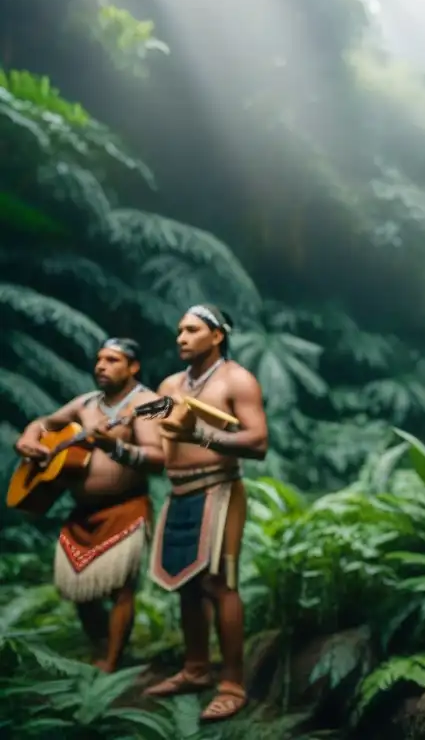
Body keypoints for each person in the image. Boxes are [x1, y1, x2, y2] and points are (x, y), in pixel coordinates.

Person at [142, 303, 267, 723]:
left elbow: (258, 442)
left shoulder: (237, 380)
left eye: (192, 330)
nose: (181, 337)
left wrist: (200, 433)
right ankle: (196, 669)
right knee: (187, 585)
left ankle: (232, 683)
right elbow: (150, 425)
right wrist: (117, 434)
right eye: (178, 330)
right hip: (179, 493)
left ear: (217, 336)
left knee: (220, 583)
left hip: (220, 489)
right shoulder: (169, 384)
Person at [12, 338, 164, 673]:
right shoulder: (85, 403)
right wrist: (28, 438)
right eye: (99, 360)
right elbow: (44, 423)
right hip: (83, 513)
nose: (101, 366)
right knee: (82, 589)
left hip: (126, 506)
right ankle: (100, 646)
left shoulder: (147, 403)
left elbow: (157, 458)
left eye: (112, 360)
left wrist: (116, 448)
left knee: (121, 587)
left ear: (133, 367)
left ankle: (112, 662)